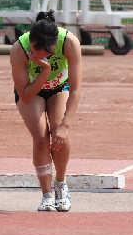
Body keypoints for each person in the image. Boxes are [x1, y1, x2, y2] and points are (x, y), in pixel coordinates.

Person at [10, 11, 83, 212]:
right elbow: (24, 96)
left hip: (60, 88)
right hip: (31, 91)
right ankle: (46, 195)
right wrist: (44, 70)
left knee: (58, 132)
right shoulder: (19, 49)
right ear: (30, 41)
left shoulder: (69, 42)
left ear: (55, 43)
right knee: (41, 137)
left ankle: (61, 184)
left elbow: (76, 89)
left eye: (46, 50)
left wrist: (65, 126)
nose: (41, 53)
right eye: (36, 48)